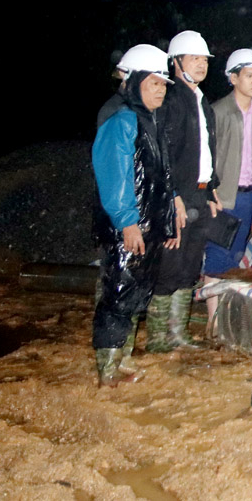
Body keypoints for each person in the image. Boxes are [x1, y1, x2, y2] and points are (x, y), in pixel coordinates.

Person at [91, 44, 178, 386]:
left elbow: (162, 177)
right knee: (118, 294)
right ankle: (107, 371)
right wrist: (127, 221)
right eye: (154, 82)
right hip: (128, 228)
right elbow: (115, 176)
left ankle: (121, 360)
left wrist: (166, 223)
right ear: (137, 81)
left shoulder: (149, 120)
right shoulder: (123, 120)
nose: (160, 90)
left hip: (148, 227)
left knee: (136, 293)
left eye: (163, 84)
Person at [146, 30, 222, 352]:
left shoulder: (202, 100)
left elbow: (204, 151)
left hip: (199, 196)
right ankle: (158, 340)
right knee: (169, 266)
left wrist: (212, 190)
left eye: (205, 59)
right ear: (176, 62)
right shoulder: (172, 99)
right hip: (177, 197)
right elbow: (163, 153)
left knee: (190, 266)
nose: (202, 64)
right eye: (195, 58)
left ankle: (178, 334)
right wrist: (173, 196)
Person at [204, 48, 252, 276]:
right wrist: (210, 194)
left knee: (236, 254)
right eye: (249, 76)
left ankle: (224, 309)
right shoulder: (218, 111)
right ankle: (214, 309)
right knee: (218, 254)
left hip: (247, 197)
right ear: (233, 78)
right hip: (223, 196)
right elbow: (208, 157)